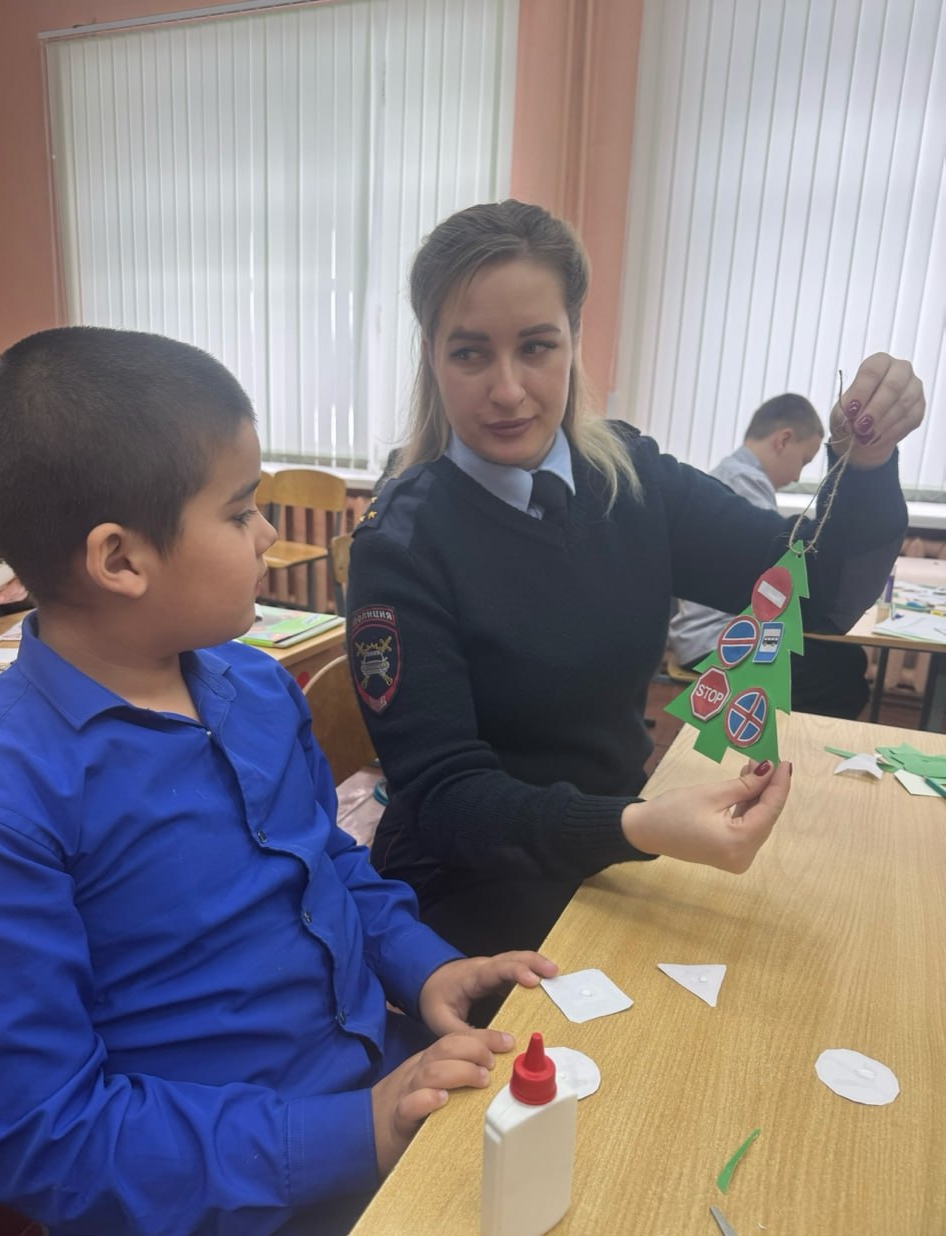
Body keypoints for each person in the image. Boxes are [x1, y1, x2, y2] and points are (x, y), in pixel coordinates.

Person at [0, 326, 559, 1236]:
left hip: (385, 1116)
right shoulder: (11, 799)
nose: (266, 537)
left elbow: (328, 863)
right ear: (120, 559)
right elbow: (46, 1134)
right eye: (241, 510)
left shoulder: (253, 686)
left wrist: (423, 967)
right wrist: (350, 1132)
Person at [345, 199, 925, 959]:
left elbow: (814, 590)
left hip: (616, 847)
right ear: (432, 355)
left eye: (537, 346)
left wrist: (867, 460)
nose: (509, 389)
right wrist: (636, 827)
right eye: (471, 353)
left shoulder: (629, 477)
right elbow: (448, 800)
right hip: (473, 885)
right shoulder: (401, 541)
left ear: (575, 339)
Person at [668, 394, 871, 719]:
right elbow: (775, 574)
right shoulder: (742, 483)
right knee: (840, 674)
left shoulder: (737, 476)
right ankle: (769, 740)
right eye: (803, 461)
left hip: (719, 631)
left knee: (843, 661)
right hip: (715, 640)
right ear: (783, 440)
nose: (797, 476)